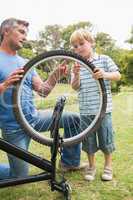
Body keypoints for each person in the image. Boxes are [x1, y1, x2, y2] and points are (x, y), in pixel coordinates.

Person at [0, 18, 86, 179]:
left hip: (34, 118)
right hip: (13, 129)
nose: (25, 37)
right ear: (6, 31)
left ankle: (70, 162)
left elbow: (43, 90)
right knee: (19, 176)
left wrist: (55, 75)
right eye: (21, 32)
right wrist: (4, 85)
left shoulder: (25, 62)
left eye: (26, 33)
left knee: (74, 119)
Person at [70, 29, 121, 181]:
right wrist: (77, 74)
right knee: (89, 140)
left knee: (106, 139)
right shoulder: (77, 64)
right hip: (86, 111)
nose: (78, 48)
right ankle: (91, 166)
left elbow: (117, 75)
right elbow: (75, 86)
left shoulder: (104, 59)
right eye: (74, 46)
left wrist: (104, 74)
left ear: (91, 43)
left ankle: (108, 166)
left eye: (81, 43)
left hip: (104, 110)